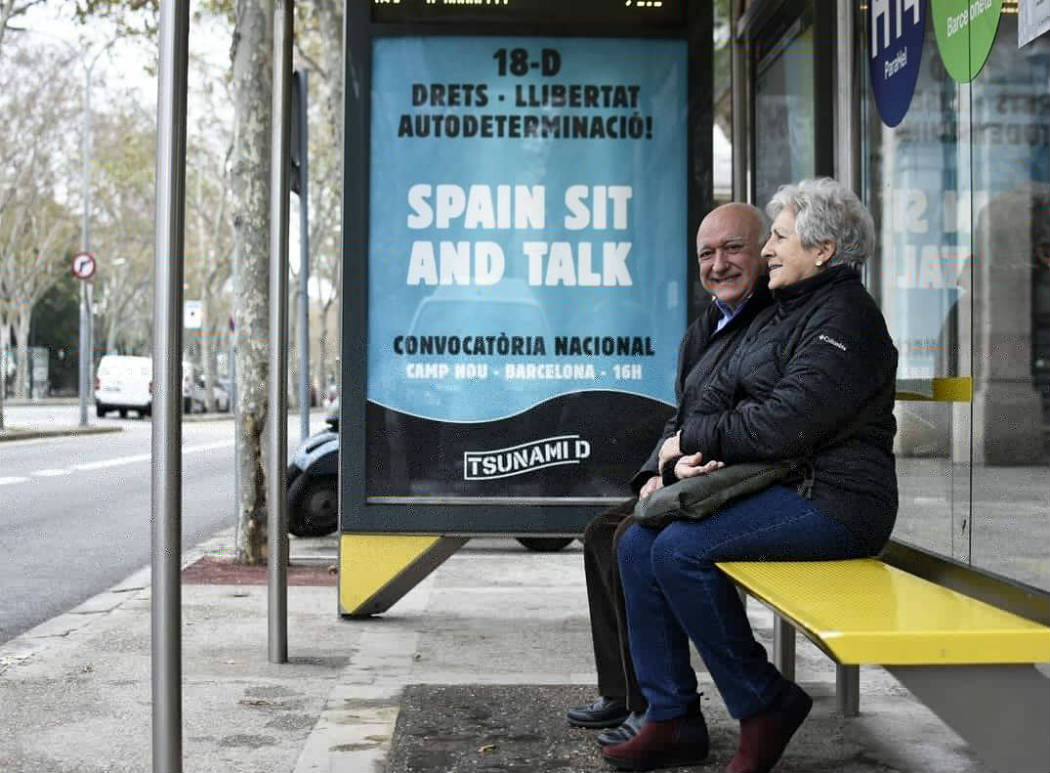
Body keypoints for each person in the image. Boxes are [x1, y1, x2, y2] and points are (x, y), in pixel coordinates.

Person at [604, 178, 898, 773]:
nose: (766, 252)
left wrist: (695, 441)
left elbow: (787, 423)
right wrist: (675, 459)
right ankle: (670, 716)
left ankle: (764, 703)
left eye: (780, 238)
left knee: (681, 549)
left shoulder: (845, 316)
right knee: (638, 542)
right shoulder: (787, 310)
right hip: (785, 486)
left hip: (838, 503)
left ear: (823, 248)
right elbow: (723, 404)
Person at [567, 203, 773, 746]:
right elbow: (679, 419)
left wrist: (689, 462)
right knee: (599, 533)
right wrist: (657, 469)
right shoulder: (705, 328)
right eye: (707, 253)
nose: (719, 264)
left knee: (632, 538)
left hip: (738, 483)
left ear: (765, 251)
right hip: (691, 474)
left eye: (734, 249)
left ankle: (660, 709)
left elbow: (759, 424)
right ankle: (623, 693)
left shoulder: (771, 323)